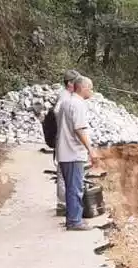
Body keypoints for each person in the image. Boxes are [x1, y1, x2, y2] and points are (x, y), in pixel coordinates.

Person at [56, 75, 95, 231]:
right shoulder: (78, 105)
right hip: (73, 152)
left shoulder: (66, 102)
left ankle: (73, 218)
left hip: (65, 152)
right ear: (83, 88)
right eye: (90, 88)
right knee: (75, 188)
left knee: (72, 187)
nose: (91, 91)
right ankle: (74, 221)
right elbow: (79, 129)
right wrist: (90, 150)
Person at [53, 69, 80, 217]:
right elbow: (57, 112)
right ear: (70, 83)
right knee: (63, 173)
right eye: (76, 81)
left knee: (67, 172)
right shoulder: (64, 97)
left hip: (66, 138)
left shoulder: (69, 96)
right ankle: (63, 204)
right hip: (63, 139)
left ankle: (68, 203)